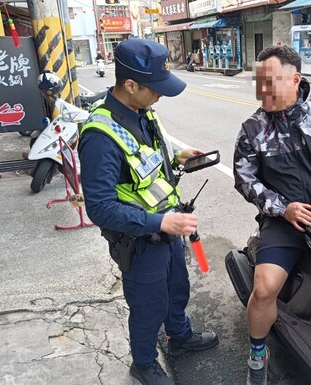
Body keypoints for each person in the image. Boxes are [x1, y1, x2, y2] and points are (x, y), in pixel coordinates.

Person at [79, 39, 219, 385]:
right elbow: (100, 207)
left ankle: (180, 335)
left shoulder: (143, 112)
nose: (160, 95)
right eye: (155, 89)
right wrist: (160, 222)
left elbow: (145, 165)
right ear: (130, 85)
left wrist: (179, 158)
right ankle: (143, 362)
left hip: (167, 226)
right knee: (147, 306)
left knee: (177, 287)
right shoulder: (100, 136)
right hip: (138, 239)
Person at [233, 45, 311, 384]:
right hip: (284, 224)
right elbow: (244, 180)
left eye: (271, 81)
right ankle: (258, 357)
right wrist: (281, 208)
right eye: (259, 82)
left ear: (295, 78)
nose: (263, 91)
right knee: (263, 290)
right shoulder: (252, 130)